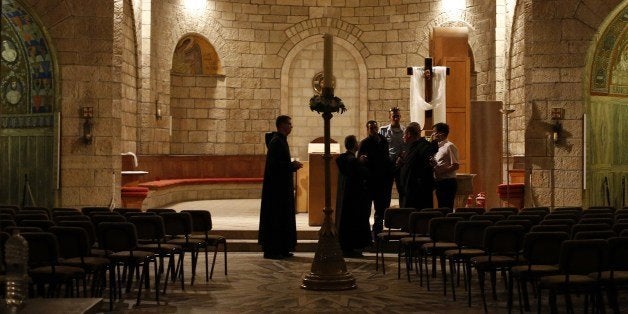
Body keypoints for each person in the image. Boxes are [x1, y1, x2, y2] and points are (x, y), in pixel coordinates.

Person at [258, 115, 303, 259]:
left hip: (281, 188)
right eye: (289, 124)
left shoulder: (280, 141)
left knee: (282, 217)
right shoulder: (276, 142)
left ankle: (282, 248)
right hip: (276, 191)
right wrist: (292, 166)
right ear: (282, 125)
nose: (291, 126)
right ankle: (273, 249)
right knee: (276, 218)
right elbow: (275, 166)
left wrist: (290, 166)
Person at [335, 135, 372, 257]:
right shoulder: (352, 161)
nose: (358, 144)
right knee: (354, 222)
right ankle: (352, 248)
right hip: (354, 198)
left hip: (346, 197)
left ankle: (347, 247)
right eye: (357, 142)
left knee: (346, 222)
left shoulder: (343, 159)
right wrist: (361, 163)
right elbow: (362, 173)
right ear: (354, 145)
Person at [358, 120, 394, 238]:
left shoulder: (383, 141)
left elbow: (386, 158)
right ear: (367, 130)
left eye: (375, 128)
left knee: (380, 209)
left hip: (381, 181)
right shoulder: (364, 143)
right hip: (369, 181)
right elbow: (359, 161)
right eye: (371, 128)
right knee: (366, 209)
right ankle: (365, 234)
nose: (373, 130)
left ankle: (377, 233)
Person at [398, 122, 438, 210]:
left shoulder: (422, 145)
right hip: (408, 189)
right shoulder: (410, 147)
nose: (403, 136)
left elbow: (428, 156)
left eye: (404, 134)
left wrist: (430, 159)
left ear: (408, 134)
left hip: (417, 192)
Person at [379, 107, 406, 205]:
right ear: (389, 117)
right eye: (394, 116)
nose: (396, 118)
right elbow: (380, 147)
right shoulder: (382, 130)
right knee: (386, 191)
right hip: (388, 164)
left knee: (402, 189)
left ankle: (404, 212)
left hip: (400, 163)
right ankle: (385, 213)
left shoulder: (405, 130)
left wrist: (401, 157)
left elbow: (406, 147)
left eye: (398, 116)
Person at [432, 122, 460, 211]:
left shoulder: (449, 146)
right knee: (441, 208)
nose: (433, 134)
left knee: (447, 208)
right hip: (439, 182)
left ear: (442, 133)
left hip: (448, 182)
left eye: (434, 132)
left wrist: (441, 171)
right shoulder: (437, 147)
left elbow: (455, 165)